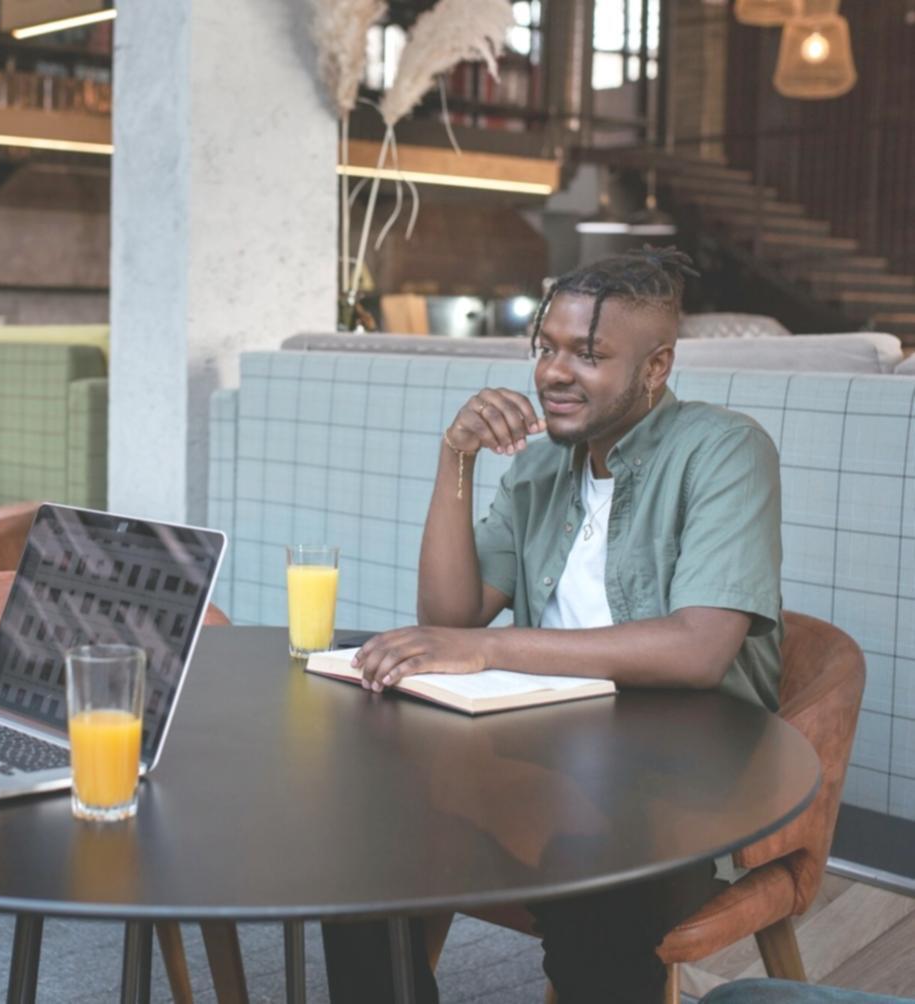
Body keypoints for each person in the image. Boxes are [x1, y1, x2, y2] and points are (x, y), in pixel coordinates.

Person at [325, 247, 784, 1004]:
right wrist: (455, 459)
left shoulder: (723, 450)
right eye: (546, 348)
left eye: (589, 354)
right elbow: (448, 617)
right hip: (544, 748)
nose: (553, 372)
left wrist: (485, 647)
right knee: (363, 850)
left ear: (655, 366)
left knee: (596, 896)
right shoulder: (539, 468)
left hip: (680, 769)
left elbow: (698, 650)